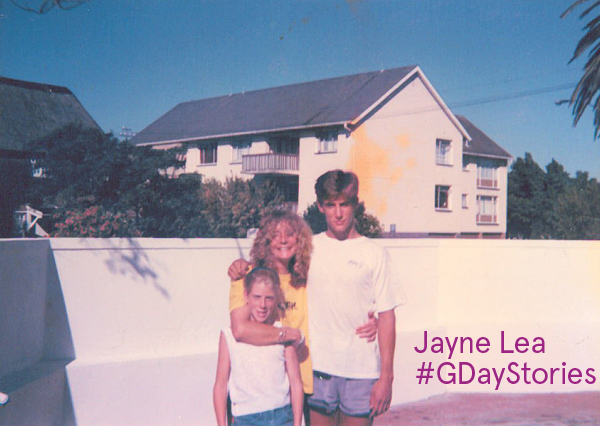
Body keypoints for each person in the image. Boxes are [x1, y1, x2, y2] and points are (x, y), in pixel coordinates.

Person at [227, 211, 379, 421]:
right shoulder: (248, 277)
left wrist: (373, 320)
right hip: (262, 390)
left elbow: (343, 299)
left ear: (300, 240)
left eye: (290, 234)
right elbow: (240, 330)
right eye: (276, 234)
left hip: (304, 384)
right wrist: (288, 334)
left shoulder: (308, 277)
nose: (283, 240)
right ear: (265, 241)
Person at [306, 170, 403, 426]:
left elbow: (387, 316)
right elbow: (273, 278)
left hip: (361, 373)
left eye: (344, 204)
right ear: (320, 206)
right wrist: (241, 266)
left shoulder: (375, 253)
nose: (338, 213)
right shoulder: (307, 248)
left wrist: (386, 377)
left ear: (355, 205)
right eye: (331, 205)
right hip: (317, 369)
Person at [213, 267, 304, 426]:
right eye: (256, 297)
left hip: (283, 416)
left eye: (269, 298)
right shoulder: (229, 335)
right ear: (246, 296)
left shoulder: (282, 332)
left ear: (276, 299)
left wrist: (297, 423)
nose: (262, 305)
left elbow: (296, 382)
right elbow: (221, 384)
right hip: (247, 419)